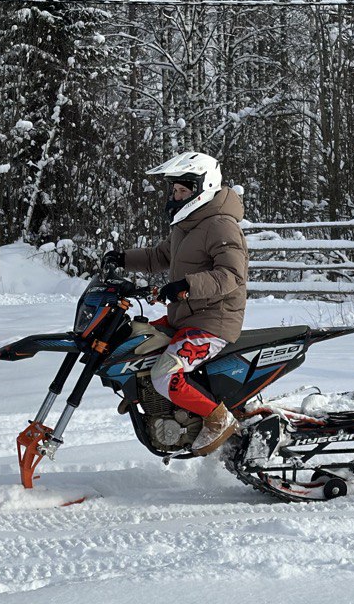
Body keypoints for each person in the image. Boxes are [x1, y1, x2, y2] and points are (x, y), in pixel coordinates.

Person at [102, 151, 248, 455]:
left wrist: (185, 286)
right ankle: (144, 393)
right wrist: (123, 258)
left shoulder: (220, 224)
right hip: (186, 317)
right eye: (175, 190)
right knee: (132, 341)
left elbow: (232, 274)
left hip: (212, 321)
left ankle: (218, 419)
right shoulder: (190, 224)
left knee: (166, 373)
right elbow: (160, 256)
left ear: (202, 188)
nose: (175, 196)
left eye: (182, 190)